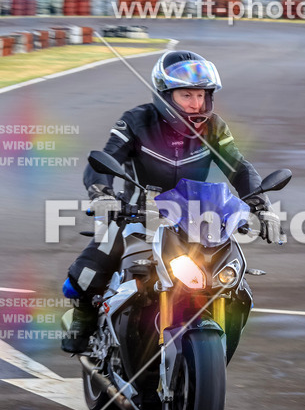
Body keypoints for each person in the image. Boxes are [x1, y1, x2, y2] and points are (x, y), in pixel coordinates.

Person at [61, 50, 282, 353]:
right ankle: (83, 316)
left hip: (194, 220)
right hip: (137, 215)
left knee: (234, 282)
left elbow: (239, 168)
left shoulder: (214, 127)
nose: (196, 104)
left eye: (202, 95)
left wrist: (261, 206)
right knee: (90, 269)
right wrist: (102, 194)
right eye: (186, 95)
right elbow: (105, 159)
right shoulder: (136, 121)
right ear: (165, 96)